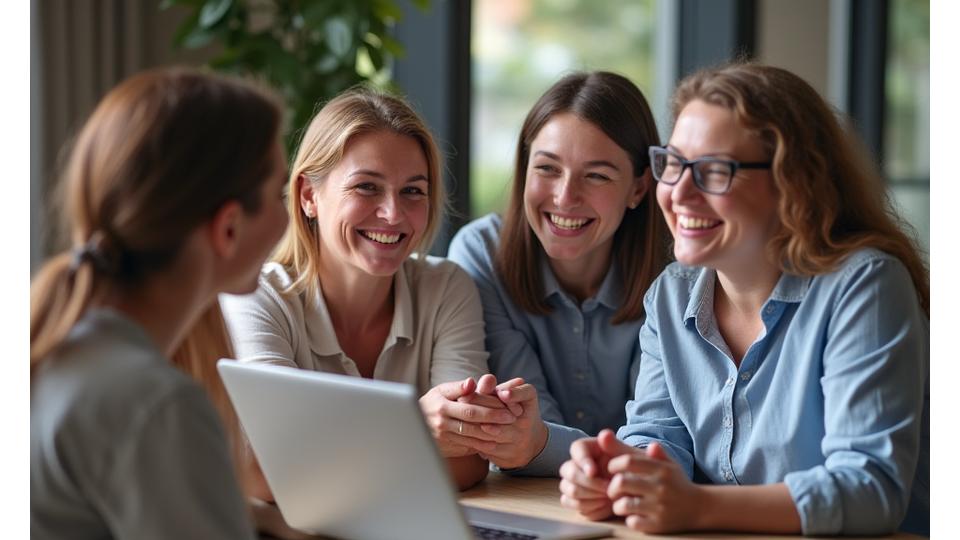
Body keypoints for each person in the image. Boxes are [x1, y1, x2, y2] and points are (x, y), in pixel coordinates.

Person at [558, 63, 929, 536]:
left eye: (714, 171)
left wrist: (696, 506)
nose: (679, 193)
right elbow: (658, 438)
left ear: (792, 182)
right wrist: (613, 474)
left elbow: (870, 489)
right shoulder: (671, 294)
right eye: (674, 164)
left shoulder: (866, 286)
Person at [30, 68, 289, 539]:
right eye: (279, 195)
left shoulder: (57, 349)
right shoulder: (156, 406)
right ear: (229, 228)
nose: (287, 218)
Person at [220, 88, 509, 494]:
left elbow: (470, 456)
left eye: (412, 191)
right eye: (367, 187)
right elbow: (262, 468)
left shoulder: (446, 288)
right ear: (308, 196)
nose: (392, 213)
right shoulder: (257, 297)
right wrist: (417, 429)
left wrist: (317, 460)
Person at [447, 71, 671, 476]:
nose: (565, 197)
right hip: (521, 501)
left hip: (633, 500)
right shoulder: (482, 254)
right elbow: (517, 425)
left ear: (638, 188)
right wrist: (535, 441)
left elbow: (655, 442)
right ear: (525, 169)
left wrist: (540, 443)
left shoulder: (676, 274)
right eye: (547, 168)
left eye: (597, 175)